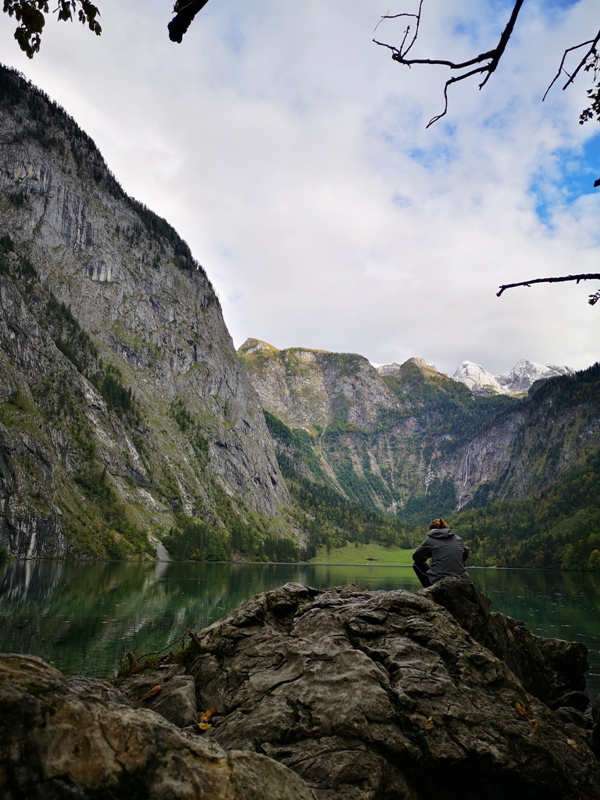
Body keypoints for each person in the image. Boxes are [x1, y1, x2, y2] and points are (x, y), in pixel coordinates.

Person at [412, 518, 470, 588]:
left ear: (432, 530)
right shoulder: (458, 539)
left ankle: (430, 590)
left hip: (438, 581)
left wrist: (427, 555)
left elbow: (416, 557)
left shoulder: (430, 539)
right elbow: (465, 556)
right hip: (460, 579)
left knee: (417, 564)